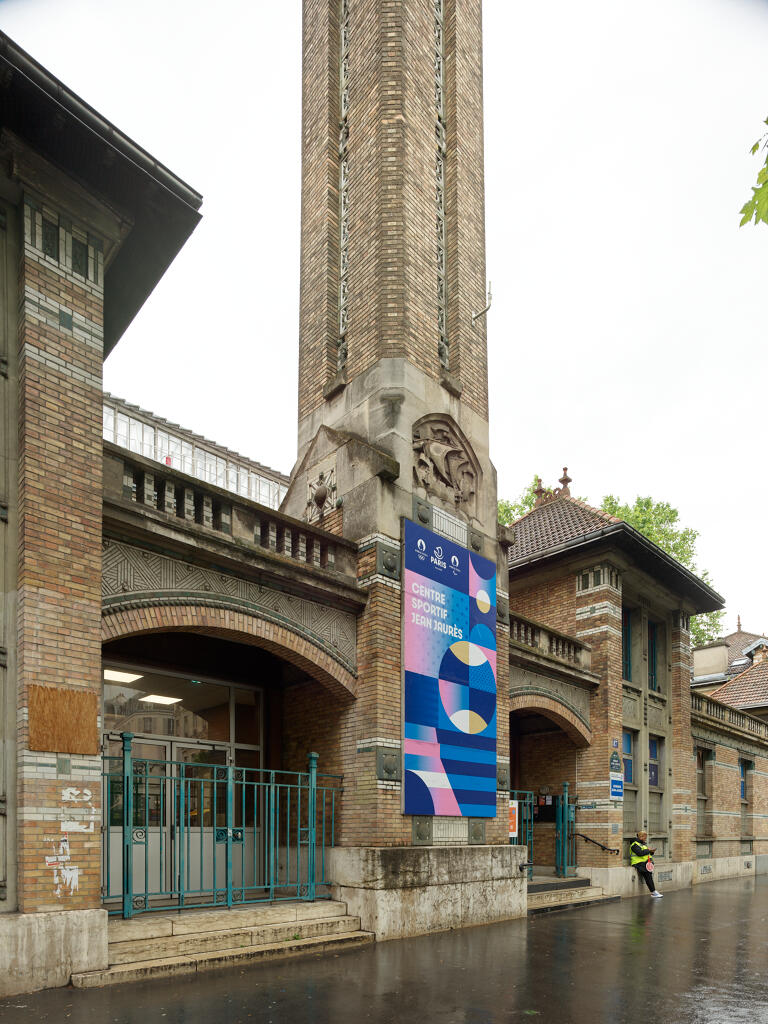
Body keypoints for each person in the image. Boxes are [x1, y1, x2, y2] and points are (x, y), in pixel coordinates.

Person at [630, 830, 663, 897]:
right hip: (638, 863)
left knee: (649, 876)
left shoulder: (642, 844)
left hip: (645, 863)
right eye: (644, 837)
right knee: (648, 876)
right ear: (640, 837)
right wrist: (648, 850)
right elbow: (640, 853)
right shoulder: (634, 844)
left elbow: (646, 853)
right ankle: (653, 892)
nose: (645, 839)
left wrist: (651, 852)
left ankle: (654, 892)